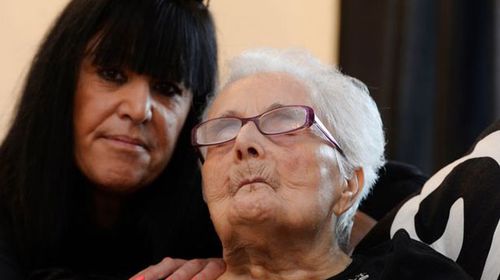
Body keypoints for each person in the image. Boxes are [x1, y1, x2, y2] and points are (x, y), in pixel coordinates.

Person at [191, 48, 472, 279]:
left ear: (348, 183)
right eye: (222, 131)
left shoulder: (409, 273)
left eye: (284, 122)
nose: (243, 142)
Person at [0, 0, 224, 279]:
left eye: (167, 88)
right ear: (60, 81)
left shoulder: (222, 228)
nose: (139, 109)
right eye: (112, 74)